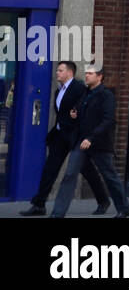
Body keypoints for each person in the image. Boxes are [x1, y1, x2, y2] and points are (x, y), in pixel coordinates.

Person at [21, 62, 110, 217]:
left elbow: (86, 110)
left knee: (88, 171)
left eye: (60, 70)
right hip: (60, 137)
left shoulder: (80, 88)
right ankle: (39, 205)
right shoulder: (58, 91)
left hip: (75, 137)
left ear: (69, 73)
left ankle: (103, 200)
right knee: (50, 169)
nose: (57, 73)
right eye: (57, 70)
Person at [48, 66, 129, 218]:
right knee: (70, 174)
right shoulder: (85, 94)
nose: (86, 76)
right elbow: (82, 113)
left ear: (99, 77)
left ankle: (124, 208)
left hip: (98, 143)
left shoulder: (106, 95)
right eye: (86, 73)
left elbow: (108, 121)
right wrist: (75, 114)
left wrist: (91, 137)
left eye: (90, 73)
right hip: (81, 141)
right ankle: (57, 213)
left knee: (109, 176)